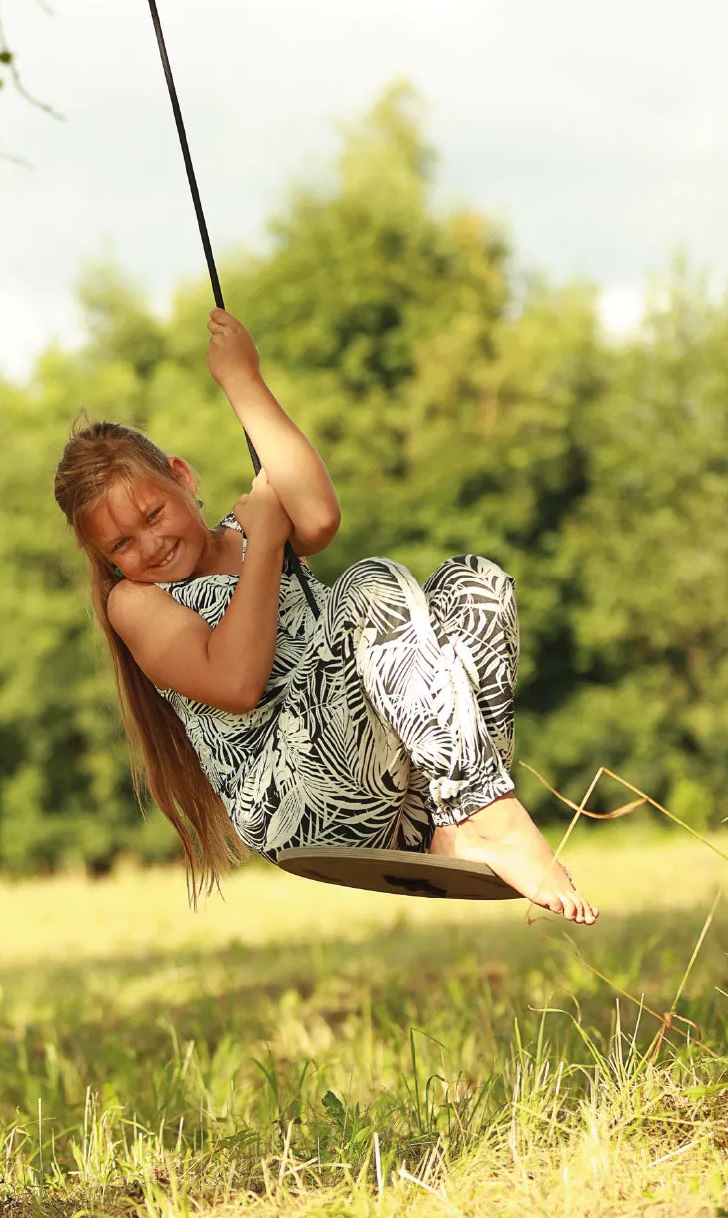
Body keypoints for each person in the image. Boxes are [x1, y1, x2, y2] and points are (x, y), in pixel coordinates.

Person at [53, 308, 597, 924]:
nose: (149, 546)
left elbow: (318, 516)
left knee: (476, 584)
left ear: (182, 477)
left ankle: (455, 820)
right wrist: (264, 544)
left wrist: (243, 381)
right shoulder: (136, 602)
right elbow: (235, 681)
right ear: (104, 557)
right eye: (121, 544)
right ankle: (491, 817)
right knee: (369, 585)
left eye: (153, 516)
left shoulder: (252, 526)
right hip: (295, 803)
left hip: (394, 780)